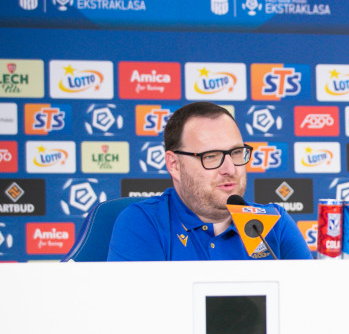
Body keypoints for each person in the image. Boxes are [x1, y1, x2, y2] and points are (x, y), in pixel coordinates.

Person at [107, 102, 312, 261]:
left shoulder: (275, 223)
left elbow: (309, 299)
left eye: (236, 152)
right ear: (174, 165)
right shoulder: (143, 223)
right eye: (211, 156)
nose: (230, 169)